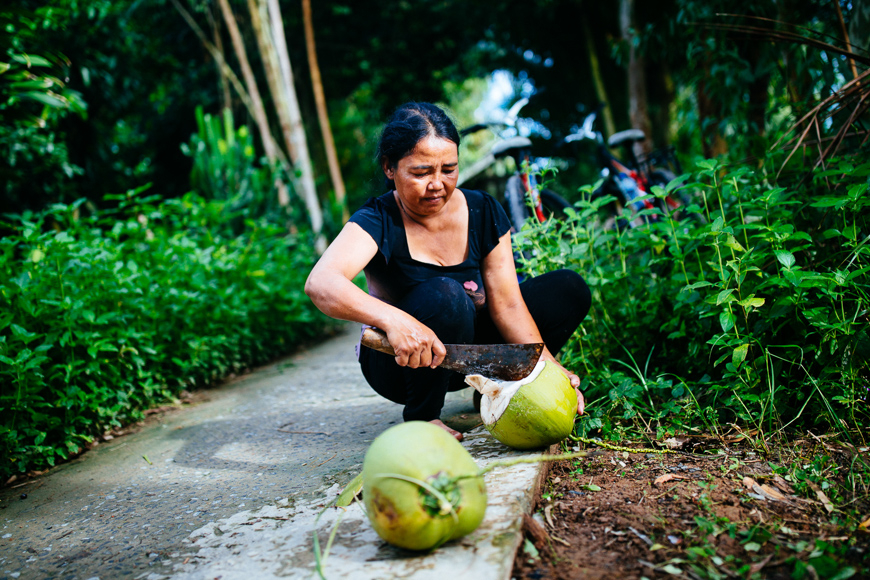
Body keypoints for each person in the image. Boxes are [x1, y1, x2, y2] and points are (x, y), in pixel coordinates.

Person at [304, 102, 591, 441]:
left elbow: (508, 305)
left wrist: (549, 369)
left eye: (449, 169)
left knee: (568, 288)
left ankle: (503, 385)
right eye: (421, 172)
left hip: (469, 354)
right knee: (446, 295)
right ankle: (423, 417)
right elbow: (321, 283)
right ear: (389, 168)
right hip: (402, 365)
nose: (437, 184)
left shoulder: (483, 210)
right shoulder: (378, 218)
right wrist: (396, 321)